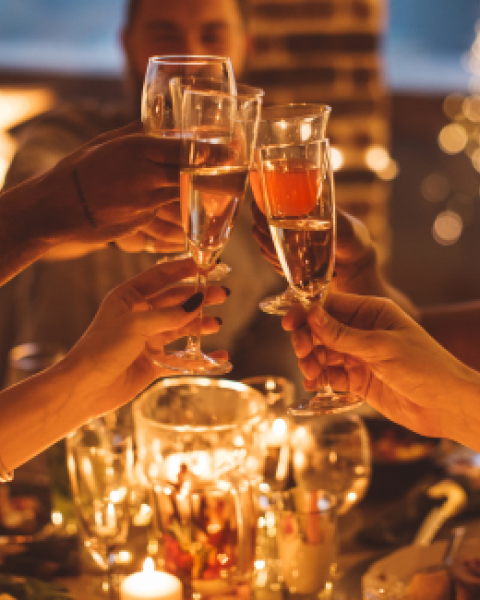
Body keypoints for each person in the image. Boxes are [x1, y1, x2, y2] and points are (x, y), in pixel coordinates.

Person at [1, 0, 290, 389]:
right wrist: (85, 210)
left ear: (245, 46)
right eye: (165, 35)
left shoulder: (257, 177)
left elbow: (277, 331)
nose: (191, 55)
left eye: (212, 35)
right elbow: (24, 196)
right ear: (127, 45)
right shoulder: (72, 135)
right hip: (56, 427)